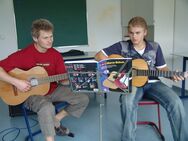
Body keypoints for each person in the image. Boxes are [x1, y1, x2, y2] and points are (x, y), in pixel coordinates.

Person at [95, 16, 188, 141]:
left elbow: (163, 69)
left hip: (153, 83)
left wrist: (172, 75)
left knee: (176, 102)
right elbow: (98, 56)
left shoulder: (154, 47)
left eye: (138, 33)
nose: (134, 37)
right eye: (131, 33)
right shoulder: (121, 46)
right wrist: (116, 70)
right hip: (132, 84)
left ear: (145, 32)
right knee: (127, 102)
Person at [0, 19, 89, 141]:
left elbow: (62, 80)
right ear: (35, 38)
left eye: (51, 36)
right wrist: (17, 82)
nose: (50, 40)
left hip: (52, 90)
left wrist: (76, 78)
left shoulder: (55, 55)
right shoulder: (23, 55)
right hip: (30, 94)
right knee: (47, 108)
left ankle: (56, 119)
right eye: (45, 37)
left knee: (82, 98)